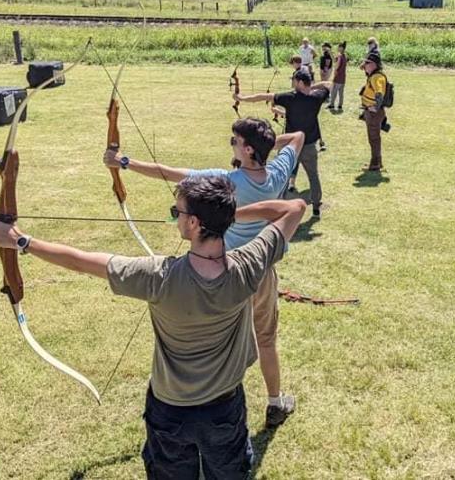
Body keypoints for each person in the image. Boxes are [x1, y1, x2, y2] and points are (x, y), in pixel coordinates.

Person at [0, 176, 307, 479]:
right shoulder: (250, 265)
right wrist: (223, 215)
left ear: (194, 223)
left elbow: (80, 261)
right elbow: (294, 208)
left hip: (170, 410)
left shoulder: (159, 277)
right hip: (224, 407)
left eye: (177, 212)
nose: (176, 218)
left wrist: (20, 240)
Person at [103, 119, 306, 429]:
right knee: (265, 340)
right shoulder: (278, 172)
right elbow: (298, 137)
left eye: (235, 141)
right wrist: (266, 145)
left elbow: (169, 173)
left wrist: (124, 162)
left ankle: (208, 402)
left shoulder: (226, 180)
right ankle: (275, 402)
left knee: (216, 338)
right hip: (259, 270)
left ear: (248, 149)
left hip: (225, 274)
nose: (232, 144)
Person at [236, 72, 331, 218]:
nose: (292, 83)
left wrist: (241, 98)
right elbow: (328, 85)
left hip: (291, 146)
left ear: (299, 82)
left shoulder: (290, 97)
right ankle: (316, 206)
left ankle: (280, 207)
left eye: (294, 80)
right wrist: (311, 87)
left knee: (283, 177)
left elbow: (263, 97)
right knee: (313, 176)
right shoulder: (316, 97)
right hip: (310, 145)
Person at [360, 52, 389, 171]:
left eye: (367, 63)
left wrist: (376, 107)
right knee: (373, 137)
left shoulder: (377, 77)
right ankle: (378, 161)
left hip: (373, 113)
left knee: (374, 138)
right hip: (371, 111)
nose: (365, 64)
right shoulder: (373, 75)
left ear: (374, 65)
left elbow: (379, 93)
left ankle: (375, 163)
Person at [328, 42, 348, 111]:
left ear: (342, 48)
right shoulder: (344, 55)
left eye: (339, 47)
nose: (338, 48)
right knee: (341, 93)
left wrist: (335, 68)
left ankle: (332, 105)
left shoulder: (339, 56)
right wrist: (331, 53)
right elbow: (334, 60)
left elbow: (336, 65)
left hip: (338, 76)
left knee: (334, 91)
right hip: (343, 77)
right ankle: (340, 105)